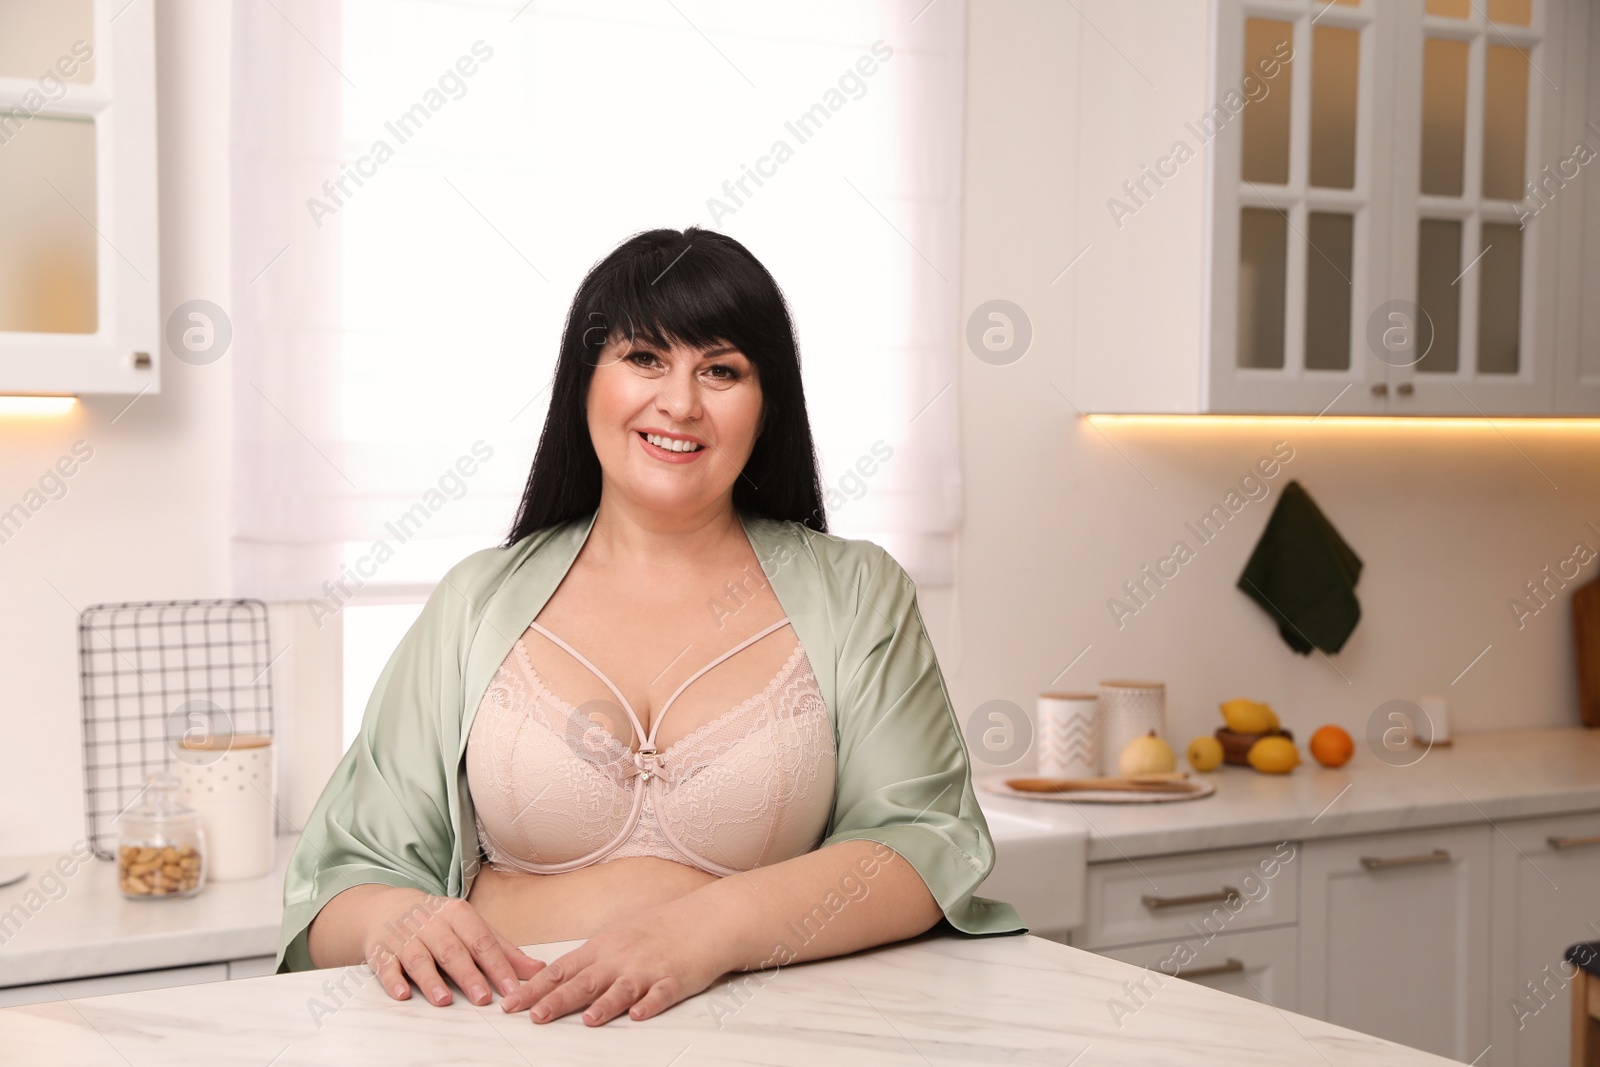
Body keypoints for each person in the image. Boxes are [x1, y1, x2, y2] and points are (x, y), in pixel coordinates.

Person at [276, 225, 1025, 1027]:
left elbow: (922, 846)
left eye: (722, 369)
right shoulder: (475, 602)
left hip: (778, 1039)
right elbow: (341, 882)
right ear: (584, 382)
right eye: (644, 357)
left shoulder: (859, 592)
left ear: (768, 404)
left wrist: (705, 927)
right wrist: (394, 918)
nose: (680, 402)